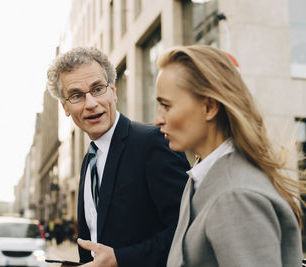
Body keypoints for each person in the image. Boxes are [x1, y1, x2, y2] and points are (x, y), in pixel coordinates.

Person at [153, 45, 304, 267]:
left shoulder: (235, 196)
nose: (157, 119)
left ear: (209, 108)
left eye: (166, 105)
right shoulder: (204, 175)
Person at [46, 47, 189, 267]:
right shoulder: (89, 161)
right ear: (65, 107)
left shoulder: (154, 142)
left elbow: (186, 231)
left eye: (97, 89)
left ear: (113, 91)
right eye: (76, 96)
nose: (91, 103)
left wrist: (119, 259)